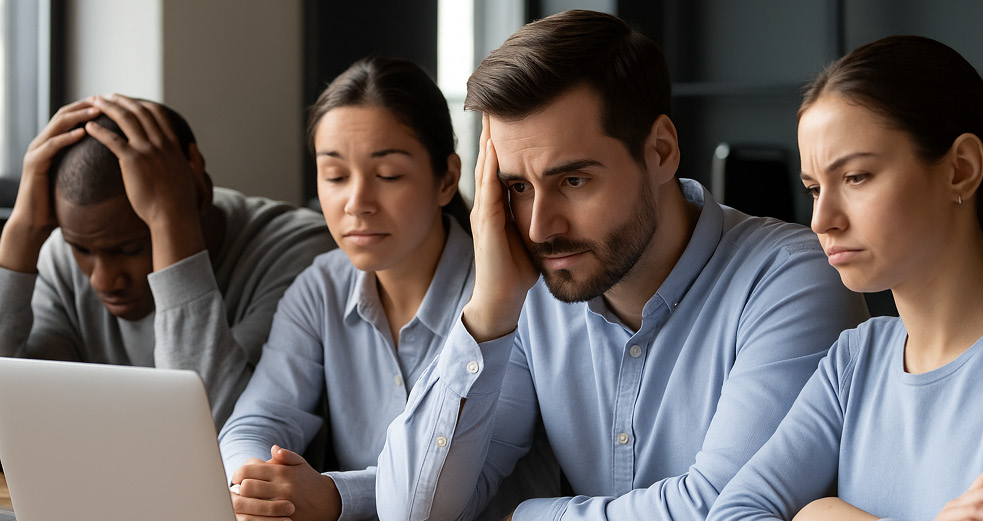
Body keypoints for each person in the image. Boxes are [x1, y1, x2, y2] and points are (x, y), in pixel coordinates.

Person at [375, 10, 869, 521]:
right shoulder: (528, 296)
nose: (541, 227)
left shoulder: (793, 278)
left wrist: (523, 517)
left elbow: (724, 507)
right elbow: (412, 510)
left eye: (573, 181)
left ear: (660, 151)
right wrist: (489, 310)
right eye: (518, 187)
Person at [707, 35, 983, 521]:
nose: (822, 220)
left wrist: (819, 513)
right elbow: (734, 512)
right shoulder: (854, 359)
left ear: (960, 170)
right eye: (814, 188)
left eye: (857, 177)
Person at [218, 56, 558, 521]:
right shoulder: (321, 287)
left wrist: (332, 496)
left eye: (389, 176)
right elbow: (259, 419)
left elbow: (455, 484)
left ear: (446, 179)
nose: (357, 203)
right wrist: (255, 482)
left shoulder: (509, 295)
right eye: (335, 176)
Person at [0, 95, 335, 428]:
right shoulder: (62, 254)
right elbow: (14, 415)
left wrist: (171, 222)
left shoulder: (305, 256)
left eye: (129, 249)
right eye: (83, 251)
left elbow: (214, 429)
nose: (103, 281)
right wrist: (20, 235)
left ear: (199, 190)